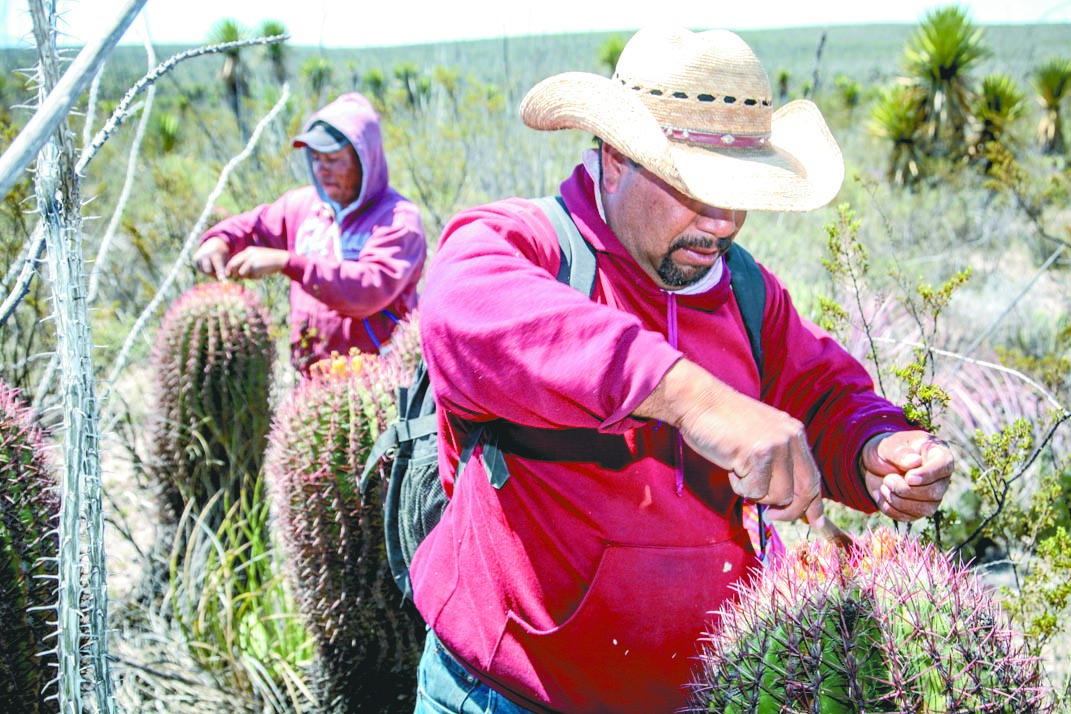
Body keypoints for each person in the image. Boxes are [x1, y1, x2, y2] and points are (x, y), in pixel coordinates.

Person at [409, 27, 955, 714]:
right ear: (613, 160)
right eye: (694, 189)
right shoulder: (527, 245)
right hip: (505, 693)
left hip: (705, 693)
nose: (723, 222)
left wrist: (875, 449)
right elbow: (463, 310)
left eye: (738, 193)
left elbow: (821, 399)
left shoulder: (748, 294)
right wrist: (691, 397)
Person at [193, 92, 426, 374]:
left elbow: (368, 290)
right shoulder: (303, 206)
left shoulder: (397, 220)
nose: (322, 169)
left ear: (366, 159)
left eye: (334, 159)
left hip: (378, 383)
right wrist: (219, 241)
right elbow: (254, 226)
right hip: (312, 384)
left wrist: (288, 263)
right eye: (316, 158)